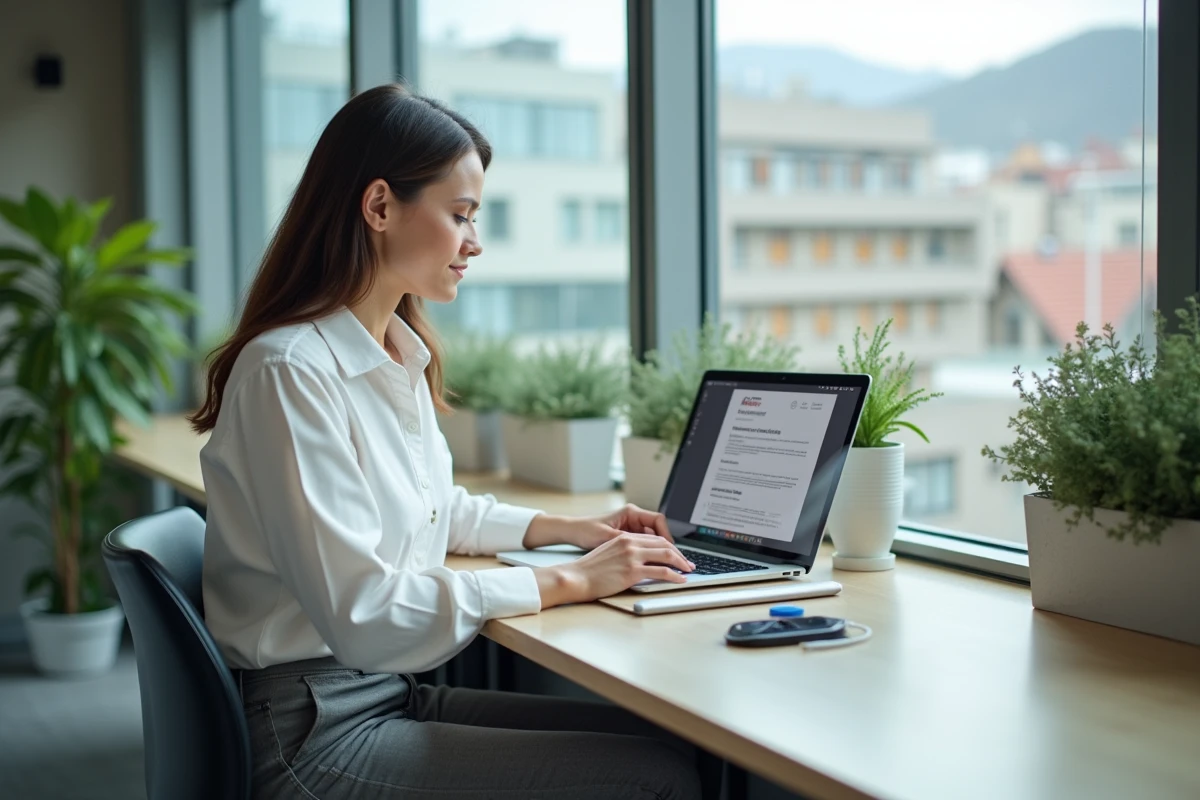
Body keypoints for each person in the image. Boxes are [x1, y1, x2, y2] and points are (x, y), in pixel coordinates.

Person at [188, 83, 704, 799]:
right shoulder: (290, 371)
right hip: (310, 730)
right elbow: (365, 614)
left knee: (669, 745)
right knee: (659, 780)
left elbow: (435, 510)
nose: (474, 241)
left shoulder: (393, 352)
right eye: (459, 214)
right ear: (378, 207)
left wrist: (574, 531)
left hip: (377, 693)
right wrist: (571, 580)